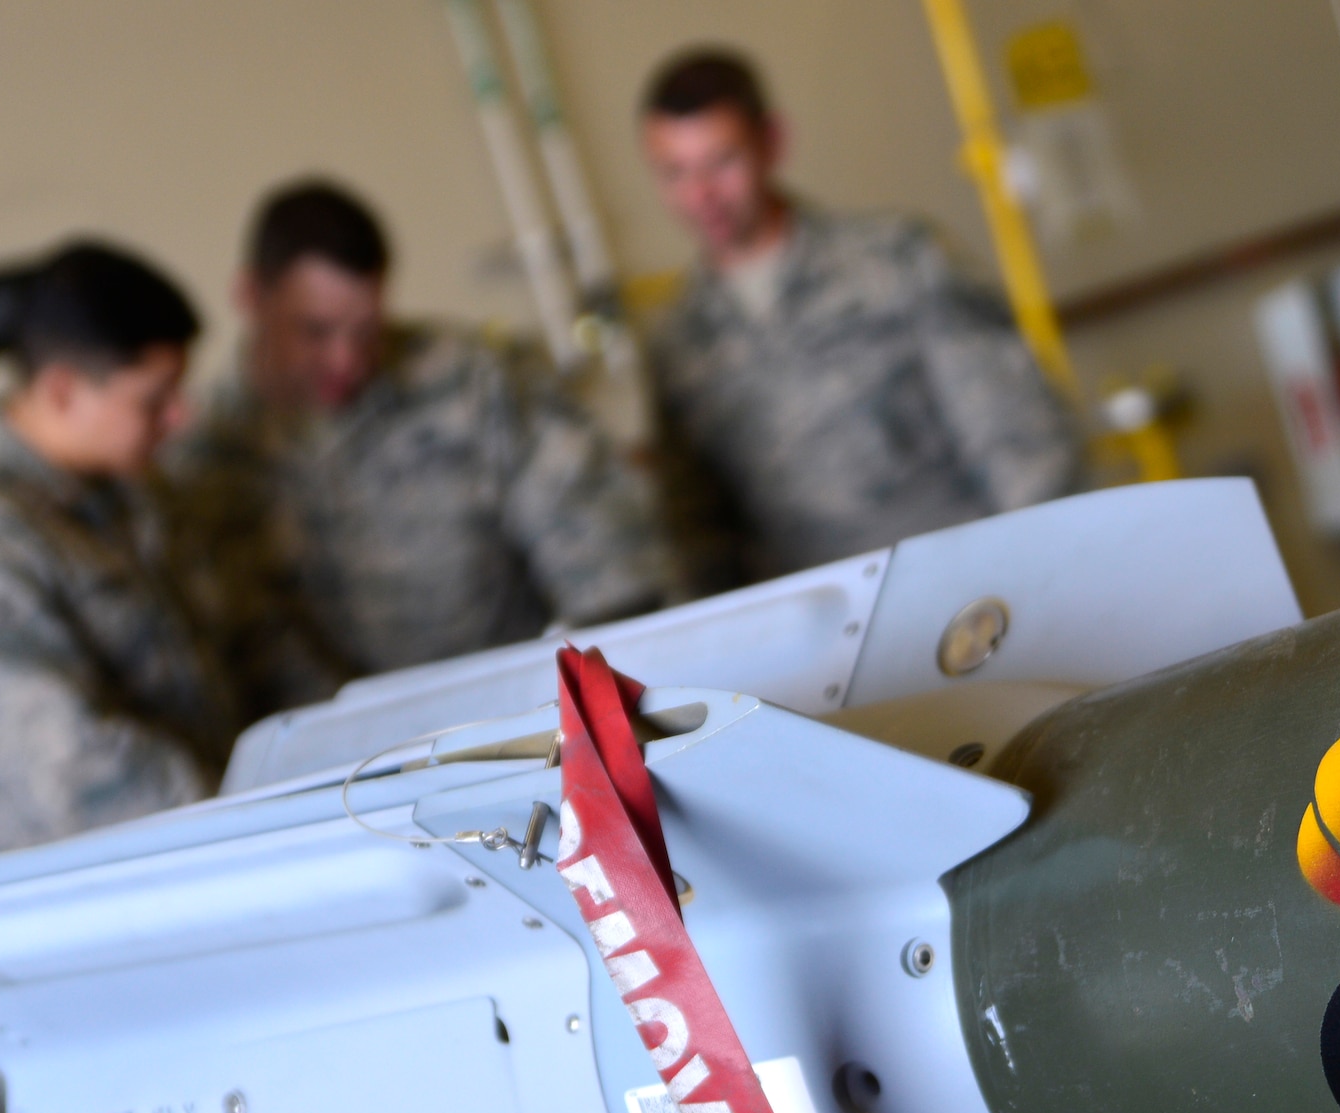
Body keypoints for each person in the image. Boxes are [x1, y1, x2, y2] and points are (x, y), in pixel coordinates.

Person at [164, 180, 673, 704]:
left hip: (526, 719)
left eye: (364, 330)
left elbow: (605, 552)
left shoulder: (471, 383)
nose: (345, 359)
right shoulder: (205, 458)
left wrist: (603, 697)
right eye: (315, 331)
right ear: (250, 297)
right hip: (340, 763)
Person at [640, 48, 1085, 587]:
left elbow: (1022, 438)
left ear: (773, 142)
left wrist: (1044, 582)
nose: (701, 196)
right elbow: (701, 537)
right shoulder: (678, 341)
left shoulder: (897, 260)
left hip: (967, 586)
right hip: (820, 629)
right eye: (675, 173)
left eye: (722, 162)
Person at [0, 242, 236, 856]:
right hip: (109, 879)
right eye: (153, 401)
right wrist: (262, 820)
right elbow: (73, 768)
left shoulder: (132, 494)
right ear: (61, 391)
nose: (180, 419)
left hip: (206, 845)